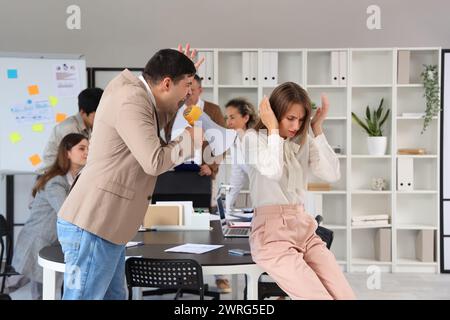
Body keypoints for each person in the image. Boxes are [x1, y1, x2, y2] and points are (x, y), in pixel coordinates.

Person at [56, 45, 203, 300]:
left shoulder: (140, 96)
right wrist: (190, 139)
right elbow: (155, 160)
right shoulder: (131, 99)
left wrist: (187, 92)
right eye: (187, 84)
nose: (189, 91)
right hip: (94, 221)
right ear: (167, 83)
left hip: (107, 223)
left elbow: (160, 122)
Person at [242, 82, 355, 299]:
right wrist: (273, 129)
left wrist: (317, 128)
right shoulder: (252, 139)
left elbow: (332, 174)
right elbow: (273, 171)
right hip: (271, 234)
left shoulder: (303, 141)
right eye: (290, 118)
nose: (296, 125)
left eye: (301, 119)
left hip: (303, 226)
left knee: (344, 295)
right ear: (275, 114)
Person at [12, 133, 89, 299]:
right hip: (37, 243)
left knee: (40, 290)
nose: (87, 153)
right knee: (36, 292)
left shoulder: (74, 179)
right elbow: (66, 212)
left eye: (88, 148)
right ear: (67, 153)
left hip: (49, 243)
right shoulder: (57, 182)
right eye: (82, 148)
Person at [164, 74, 226, 205]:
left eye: (193, 90)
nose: (189, 93)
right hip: (173, 174)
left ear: (200, 90)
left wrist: (211, 166)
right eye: (186, 89)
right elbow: (167, 139)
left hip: (202, 174)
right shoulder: (174, 110)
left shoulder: (213, 110)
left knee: (204, 216)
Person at [39, 88, 103, 173]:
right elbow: (77, 160)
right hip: (52, 175)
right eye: (97, 115)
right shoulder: (70, 128)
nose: (101, 119)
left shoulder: (89, 126)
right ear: (83, 112)